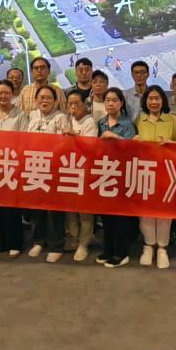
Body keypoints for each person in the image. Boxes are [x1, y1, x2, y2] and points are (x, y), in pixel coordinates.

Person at [134, 85, 176, 269]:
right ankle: (148, 246)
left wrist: (171, 143)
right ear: (145, 101)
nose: (153, 102)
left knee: (164, 212)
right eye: (150, 98)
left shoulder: (172, 120)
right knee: (145, 211)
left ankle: (162, 248)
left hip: (166, 172)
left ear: (163, 100)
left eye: (157, 98)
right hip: (144, 171)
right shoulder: (139, 119)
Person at [0, 79, 28, 256]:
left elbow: (25, 139)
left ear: (12, 95)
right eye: (0, 93)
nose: (3, 96)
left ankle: (14, 243)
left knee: (12, 206)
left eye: (7, 93)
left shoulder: (20, 114)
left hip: (13, 164)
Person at [26, 84, 68, 262]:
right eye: (41, 97)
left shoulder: (61, 117)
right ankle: (38, 241)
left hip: (54, 168)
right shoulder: (32, 115)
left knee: (55, 210)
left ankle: (56, 245)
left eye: (49, 98)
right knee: (37, 208)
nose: (44, 101)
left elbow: (65, 144)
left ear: (55, 101)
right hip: (35, 167)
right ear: (36, 100)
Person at [97, 87, 137, 268]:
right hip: (104, 173)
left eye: (114, 100)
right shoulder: (101, 123)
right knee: (106, 216)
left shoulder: (128, 124)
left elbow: (131, 150)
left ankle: (121, 252)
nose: (110, 103)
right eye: (107, 100)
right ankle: (108, 249)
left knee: (120, 217)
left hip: (122, 175)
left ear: (121, 103)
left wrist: (114, 136)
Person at [64, 90, 98, 262]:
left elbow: (90, 146)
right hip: (67, 169)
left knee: (84, 211)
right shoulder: (66, 119)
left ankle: (84, 243)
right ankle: (74, 239)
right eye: (70, 103)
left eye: (77, 103)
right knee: (70, 209)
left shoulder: (89, 122)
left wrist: (74, 137)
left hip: (84, 170)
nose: (73, 107)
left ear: (84, 105)